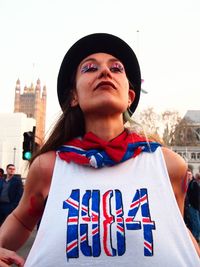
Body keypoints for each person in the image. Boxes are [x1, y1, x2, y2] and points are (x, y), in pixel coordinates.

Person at [0, 33, 199, 267]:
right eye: (90, 68)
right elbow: (22, 220)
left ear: (129, 97)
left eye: (116, 68)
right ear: (73, 96)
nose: (105, 72)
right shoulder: (48, 167)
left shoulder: (168, 165)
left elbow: (176, 232)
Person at [185, 171, 200, 244]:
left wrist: (192, 205)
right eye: (187, 174)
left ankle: (196, 236)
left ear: (191, 175)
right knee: (193, 221)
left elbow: (196, 197)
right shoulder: (190, 183)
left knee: (195, 222)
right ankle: (195, 236)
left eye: (189, 174)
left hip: (193, 206)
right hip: (191, 205)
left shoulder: (194, 183)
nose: (188, 176)